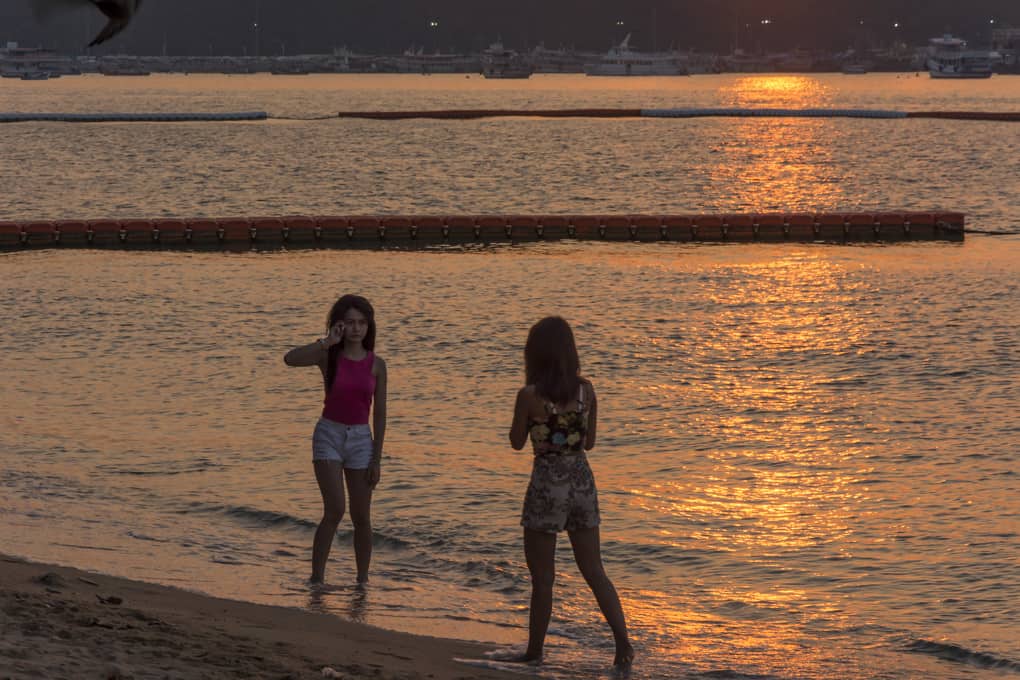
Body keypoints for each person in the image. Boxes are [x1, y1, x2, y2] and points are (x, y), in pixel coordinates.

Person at [508, 316, 634, 667]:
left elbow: (517, 442)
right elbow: (589, 443)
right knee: (595, 570)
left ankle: (535, 651)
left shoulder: (529, 396)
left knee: (543, 578)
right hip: (581, 482)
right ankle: (623, 645)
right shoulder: (586, 391)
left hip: (547, 485)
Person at [284, 294, 387, 584]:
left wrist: (377, 458)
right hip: (329, 434)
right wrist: (326, 342)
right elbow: (290, 359)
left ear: (369, 326)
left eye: (362, 323)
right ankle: (317, 579)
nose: (356, 329)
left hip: (361, 440)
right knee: (335, 510)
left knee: (362, 517)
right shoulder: (327, 355)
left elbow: (379, 414)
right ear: (339, 325)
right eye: (350, 323)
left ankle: (362, 582)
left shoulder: (376, 365)